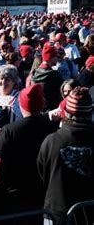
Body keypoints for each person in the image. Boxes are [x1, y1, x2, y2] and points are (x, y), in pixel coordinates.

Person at [0, 84, 57, 215]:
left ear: (21, 105)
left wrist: (4, 185)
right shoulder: (52, 127)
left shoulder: (9, 130)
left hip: (16, 195)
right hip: (45, 192)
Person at [37, 87, 94, 225]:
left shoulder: (52, 140)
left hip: (57, 213)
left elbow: (42, 174)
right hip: (89, 213)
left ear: (66, 113)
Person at [31, 43, 63, 111]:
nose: (58, 58)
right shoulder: (55, 75)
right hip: (52, 111)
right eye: (56, 56)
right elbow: (62, 94)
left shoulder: (33, 73)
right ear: (51, 57)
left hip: (38, 110)